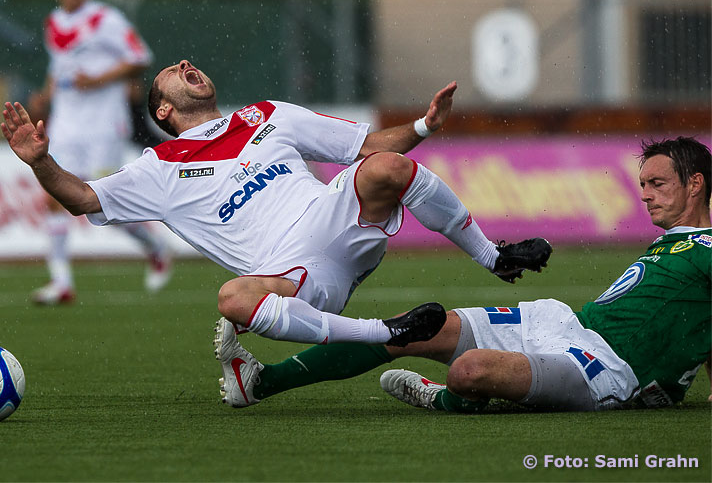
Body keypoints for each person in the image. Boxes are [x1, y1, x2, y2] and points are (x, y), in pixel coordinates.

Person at [1, 58, 552, 363]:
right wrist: (40, 161)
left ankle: (492, 256)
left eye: (190, 61)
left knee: (385, 169)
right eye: (173, 69)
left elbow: (365, 146)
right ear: (164, 109)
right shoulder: (159, 169)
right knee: (232, 298)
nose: (188, 63)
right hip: (296, 276)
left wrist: (425, 126)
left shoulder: (269, 114)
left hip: (337, 221)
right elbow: (82, 199)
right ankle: (384, 331)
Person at [214, 136, 711, 411]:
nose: (644, 194)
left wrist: (674, 382)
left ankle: (448, 400)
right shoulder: (673, 242)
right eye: (642, 183)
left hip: (606, 369)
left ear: (695, 183)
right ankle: (260, 383)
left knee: (470, 370)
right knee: (416, 326)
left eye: (657, 183)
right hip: (562, 323)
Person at [26, 0, 171, 305]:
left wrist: (99, 79)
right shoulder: (54, 22)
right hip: (66, 124)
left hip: (104, 125)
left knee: (101, 206)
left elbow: (140, 57)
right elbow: (58, 66)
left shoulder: (106, 19)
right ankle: (61, 282)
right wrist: (44, 97)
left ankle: (155, 245)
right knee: (52, 197)